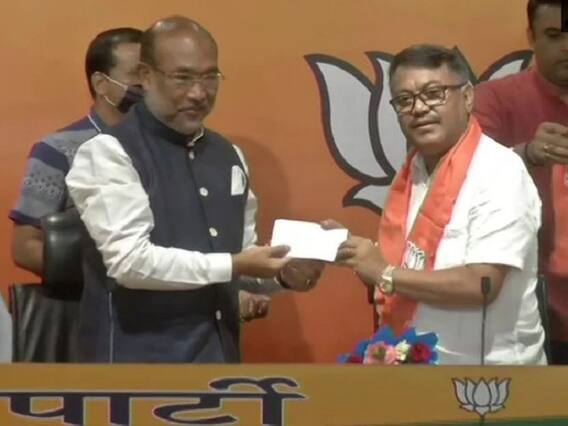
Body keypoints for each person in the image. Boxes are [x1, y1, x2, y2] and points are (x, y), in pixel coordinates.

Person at [65, 16, 323, 363]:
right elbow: (130, 262)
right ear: (146, 76)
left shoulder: (229, 156)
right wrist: (234, 263)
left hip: (219, 363)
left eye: (210, 77)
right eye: (183, 78)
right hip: (134, 370)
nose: (199, 93)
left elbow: (241, 260)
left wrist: (284, 273)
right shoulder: (107, 153)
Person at [326, 44, 546, 365]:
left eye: (433, 94)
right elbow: (409, 265)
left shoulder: (499, 171)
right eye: (405, 100)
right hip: (415, 365)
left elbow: (482, 284)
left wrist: (384, 272)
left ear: (467, 97)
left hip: (491, 378)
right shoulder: (412, 173)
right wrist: (359, 256)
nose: (418, 108)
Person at [474, 0, 568, 364]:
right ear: (531, 36)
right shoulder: (495, 100)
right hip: (531, 313)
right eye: (555, 35)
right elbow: (459, 178)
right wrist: (526, 154)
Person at [10, 27, 143, 277]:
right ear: (101, 84)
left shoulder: (169, 147)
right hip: (91, 296)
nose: (148, 85)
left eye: (153, 74)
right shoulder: (56, 151)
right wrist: (100, 281)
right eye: (138, 74)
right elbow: (25, 247)